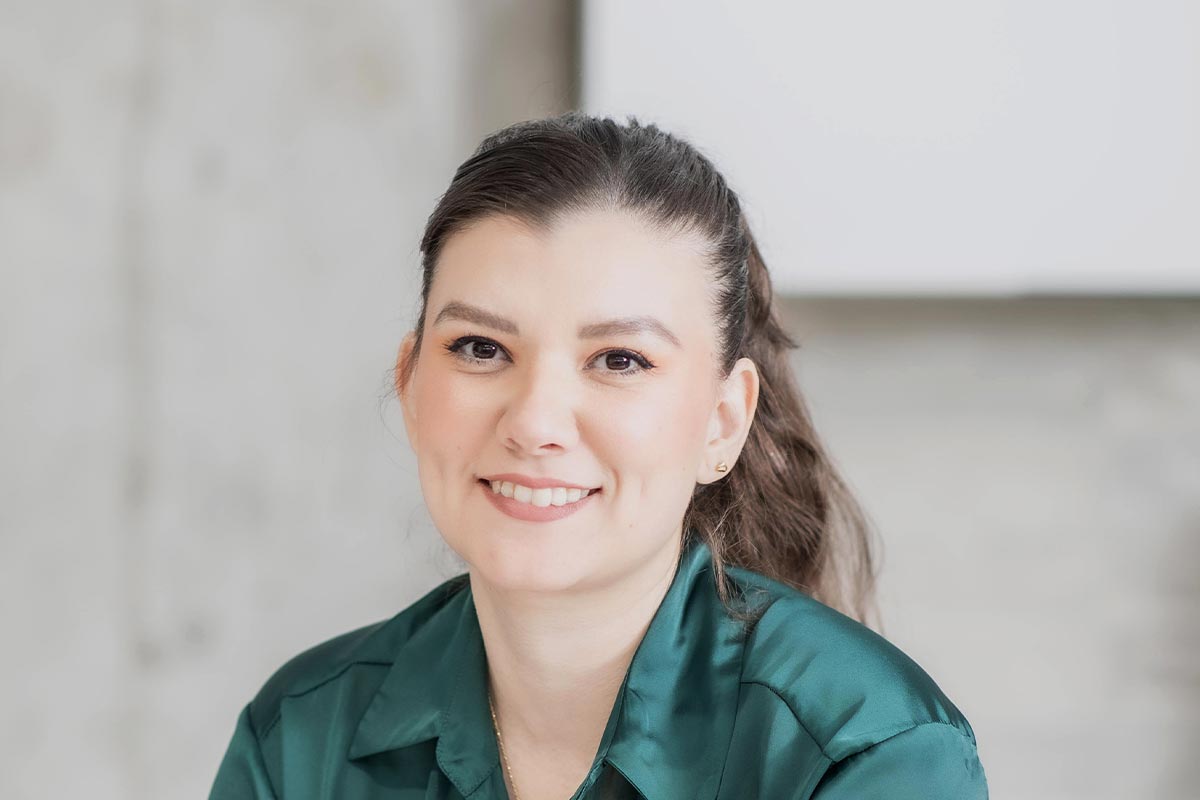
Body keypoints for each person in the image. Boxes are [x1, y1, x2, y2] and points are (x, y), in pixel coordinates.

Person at [209, 111, 989, 799]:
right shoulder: (299, 739)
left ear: (723, 421)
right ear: (411, 384)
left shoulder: (869, 754)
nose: (536, 422)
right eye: (480, 348)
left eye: (619, 360)